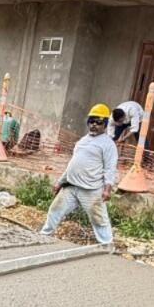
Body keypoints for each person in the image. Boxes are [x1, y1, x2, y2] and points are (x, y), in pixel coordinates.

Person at [41, 104, 118, 245]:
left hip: (91, 189)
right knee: (55, 209)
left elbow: (110, 169)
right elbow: (72, 164)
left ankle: (107, 245)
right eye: (91, 121)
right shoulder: (83, 141)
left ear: (105, 124)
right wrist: (60, 182)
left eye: (99, 122)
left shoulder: (108, 144)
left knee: (99, 219)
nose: (94, 125)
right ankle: (43, 235)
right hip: (71, 186)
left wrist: (107, 189)